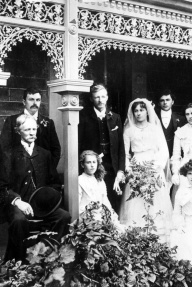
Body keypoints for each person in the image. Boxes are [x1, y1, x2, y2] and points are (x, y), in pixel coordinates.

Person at [0, 115, 70, 262]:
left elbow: (54, 183)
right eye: (27, 129)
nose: (32, 133)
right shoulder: (9, 154)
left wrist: (49, 200)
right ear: (18, 131)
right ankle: (20, 262)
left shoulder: (45, 154)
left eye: (34, 129)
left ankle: (47, 255)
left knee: (64, 216)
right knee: (19, 221)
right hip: (18, 205)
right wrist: (17, 201)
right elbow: (2, 186)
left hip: (42, 206)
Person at [119, 99, 173, 243]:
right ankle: (137, 239)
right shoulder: (128, 130)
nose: (138, 113)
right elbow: (125, 153)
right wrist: (129, 169)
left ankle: (157, 238)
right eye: (135, 110)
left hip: (154, 166)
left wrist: (157, 167)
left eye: (141, 110)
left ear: (147, 111)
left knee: (155, 200)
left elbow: (163, 150)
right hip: (136, 166)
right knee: (136, 201)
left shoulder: (155, 128)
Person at [78, 84, 125, 213]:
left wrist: (121, 169)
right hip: (92, 166)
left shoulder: (115, 118)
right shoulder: (84, 117)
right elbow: (79, 144)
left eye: (103, 96)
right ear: (91, 99)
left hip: (111, 165)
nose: (100, 100)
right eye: (97, 97)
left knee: (112, 198)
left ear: (107, 97)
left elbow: (121, 146)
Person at [0, 87, 61, 168]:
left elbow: (55, 149)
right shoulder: (12, 121)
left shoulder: (48, 123)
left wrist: (49, 170)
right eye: (31, 99)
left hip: (42, 172)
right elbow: (4, 148)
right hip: (19, 171)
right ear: (24, 102)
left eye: (38, 100)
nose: (35, 103)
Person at [78, 150, 124, 232]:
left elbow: (104, 199)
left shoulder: (99, 180)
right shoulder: (80, 180)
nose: (92, 165)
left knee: (118, 229)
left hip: (101, 213)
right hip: (87, 215)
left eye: (94, 162)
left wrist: (110, 213)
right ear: (82, 164)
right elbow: (77, 204)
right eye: (88, 162)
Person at [155, 89, 186, 157]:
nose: (165, 102)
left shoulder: (182, 119)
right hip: (158, 155)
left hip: (175, 155)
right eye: (162, 100)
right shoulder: (154, 118)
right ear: (158, 103)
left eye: (167, 100)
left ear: (172, 102)